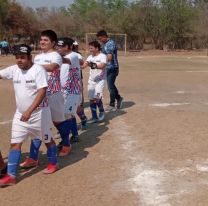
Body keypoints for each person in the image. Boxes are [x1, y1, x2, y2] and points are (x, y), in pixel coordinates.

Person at [0, 44, 58, 187]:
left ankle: (53, 163)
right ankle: (11, 176)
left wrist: (29, 111)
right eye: (17, 57)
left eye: (23, 57)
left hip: (39, 114)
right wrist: (24, 113)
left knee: (48, 139)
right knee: (15, 143)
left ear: (30, 57)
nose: (19, 60)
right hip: (20, 115)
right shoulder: (14, 70)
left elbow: (42, 91)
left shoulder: (38, 70)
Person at [20, 30, 72, 170]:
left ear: (53, 43)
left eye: (46, 40)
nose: (42, 42)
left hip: (54, 94)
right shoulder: (36, 57)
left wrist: (32, 65)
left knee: (58, 121)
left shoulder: (56, 55)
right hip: (40, 95)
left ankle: (66, 144)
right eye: (41, 39)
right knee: (36, 125)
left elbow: (52, 67)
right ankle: (33, 157)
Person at [56, 37, 82, 143]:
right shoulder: (64, 56)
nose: (57, 48)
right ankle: (74, 135)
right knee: (68, 114)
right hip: (64, 90)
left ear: (67, 47)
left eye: (59, 47)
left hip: (72, 91)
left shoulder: (73, 56)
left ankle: (66, 139)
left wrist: (50, 56)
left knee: (65, 114)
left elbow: (66, 61)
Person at [96, 30, 123, 111]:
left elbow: (110, 57)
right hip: (107, 68)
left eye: (101, 39)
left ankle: (112, 104)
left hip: (112, 67)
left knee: (110, 86)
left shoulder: (110, 43)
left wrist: (101, 62)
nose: (100, 40)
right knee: (111, 85)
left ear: (104, 36)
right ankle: (118, 98)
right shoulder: (105, 44)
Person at [82, 40, 107, 123]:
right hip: (91, 81)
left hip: (100, 80)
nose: (90, 49)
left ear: (97, 48)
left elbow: (102, 65)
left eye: (91, 48)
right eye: (89, 48)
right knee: (91, 99)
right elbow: (84, 65)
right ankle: (94, 117)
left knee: (97, 98)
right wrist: (77, 64)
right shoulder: (90, 57)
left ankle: (101, 111)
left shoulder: (102, 56)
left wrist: (92, 65)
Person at [72, 41, 87, 130]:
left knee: (77, 104)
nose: (76, 47)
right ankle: (71, 129)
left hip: (76, 81)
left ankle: (83, 119)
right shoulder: (60, 55)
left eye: (76, 46)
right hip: (63, 83)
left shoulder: (77, 55)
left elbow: (82, 63)